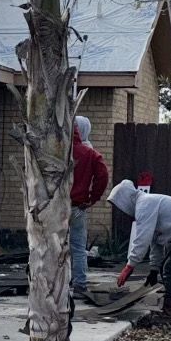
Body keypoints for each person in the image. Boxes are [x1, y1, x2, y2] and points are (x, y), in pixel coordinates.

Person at [107, 179, 171, 319]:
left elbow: (141, 239)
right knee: (168, 268)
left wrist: (129, 266)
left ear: (126, 199)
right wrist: (154, 270)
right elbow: (156, 242)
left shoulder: (145, 205)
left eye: (120, 204)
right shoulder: (147, 205)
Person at [69, 115, 110, 297]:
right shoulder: (89, 153)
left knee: (53, 245)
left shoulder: (59, 150)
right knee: (78, 248)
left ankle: (53, 285)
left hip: (54, 208)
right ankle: (79, 285)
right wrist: (92, 198)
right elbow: (103, 175)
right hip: (77, 207)